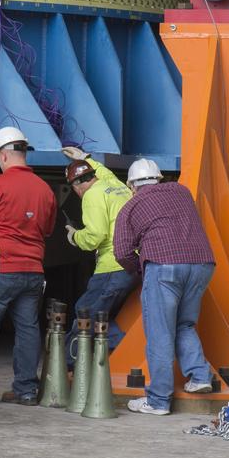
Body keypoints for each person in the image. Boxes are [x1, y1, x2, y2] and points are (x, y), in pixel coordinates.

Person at [113, 158, 216, 416]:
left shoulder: (131, 206)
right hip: (202, 264)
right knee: (184, 324)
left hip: (164, 267)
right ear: (159, 178)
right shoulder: (182, 191)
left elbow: (122, 252)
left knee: (160, 332)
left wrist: (140, 269)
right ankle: (200, 376)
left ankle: (158, 400)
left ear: (132, 185)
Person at [0, 126, 56, 406]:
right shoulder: (45, 190)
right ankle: (26, 390)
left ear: (3, 155)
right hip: (33, 271)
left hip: (2, 269)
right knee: (29, 329)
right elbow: (47, 229)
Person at [60, 146, 135, 363]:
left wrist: (74, 236)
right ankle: (124, 351)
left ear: (75, 185)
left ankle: (68, 366)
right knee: (100, 315)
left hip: (112, 266)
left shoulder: (91, 196)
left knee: (84, 312)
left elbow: (95, 236)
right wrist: (86, 159)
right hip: (131, 265)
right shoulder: (116, 186)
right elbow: (106, 173)